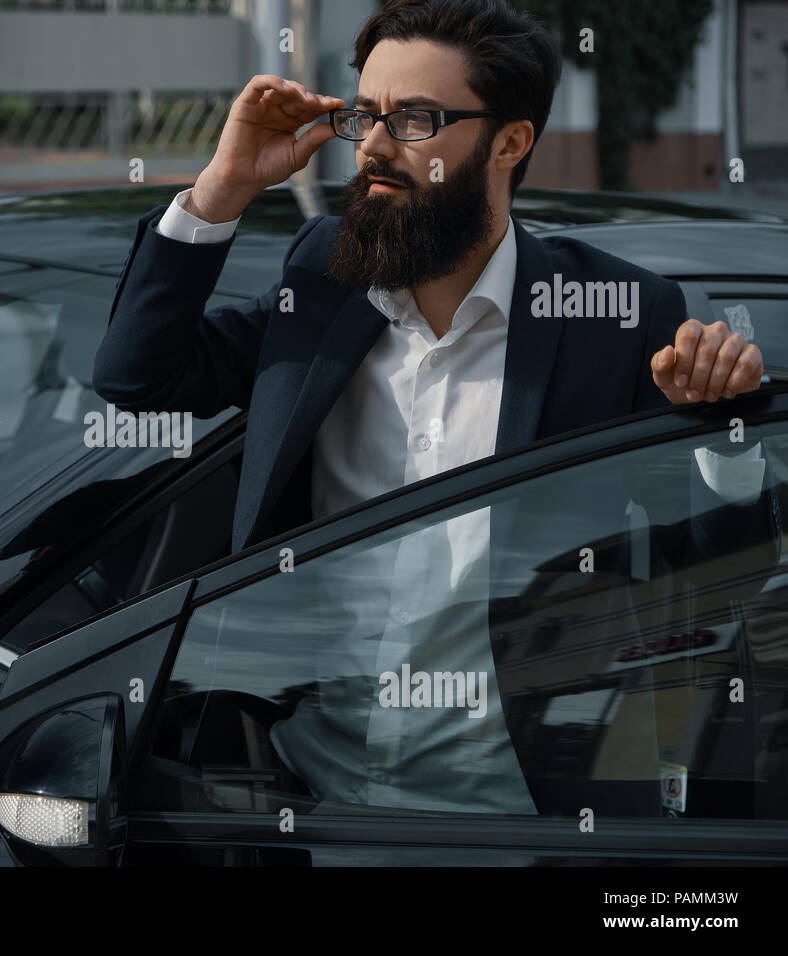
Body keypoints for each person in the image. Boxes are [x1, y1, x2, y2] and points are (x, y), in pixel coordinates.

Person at [92, 0, 779, 813]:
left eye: (416, 119)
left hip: (513, 818)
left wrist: (725, 438)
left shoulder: (612, 313)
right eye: (367, 115)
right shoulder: (323, 281)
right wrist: (221, 188)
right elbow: (138, 378)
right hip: (302, 795)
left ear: (510, 142)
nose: (375, 148)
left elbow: (718, 574)